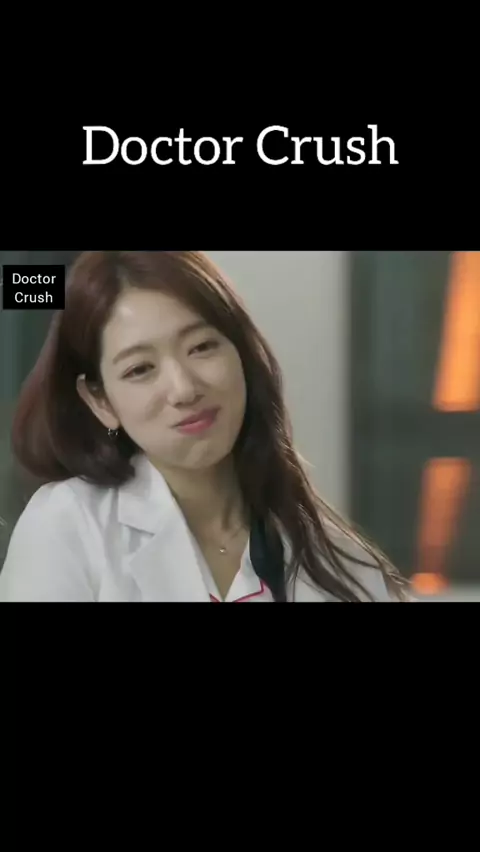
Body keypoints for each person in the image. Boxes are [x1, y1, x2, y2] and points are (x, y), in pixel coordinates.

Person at [0, 251, 410, 602]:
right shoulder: (70, 525)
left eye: (201, 347)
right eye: (140, 369)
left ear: (242, 354)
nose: (184, 388)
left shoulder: (342, 565)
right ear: (100, 401)